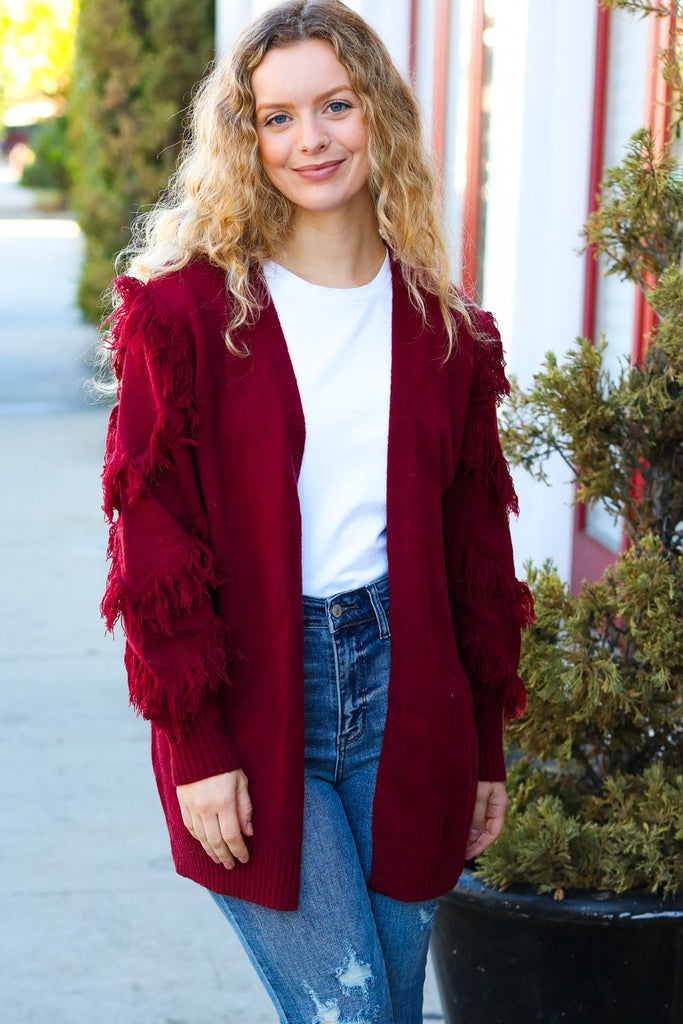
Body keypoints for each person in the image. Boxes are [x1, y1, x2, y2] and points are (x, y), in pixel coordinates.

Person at [100, 2, 533, 1021]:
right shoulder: (183, 316)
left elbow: (476, 549)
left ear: (375, 113)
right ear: (244, 139)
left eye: (334, 105)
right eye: (277, 117)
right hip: (256, 693)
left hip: (408, 694)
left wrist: (483, 742)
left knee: (383, 1004)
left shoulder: (446, 331)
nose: (311, 139)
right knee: (353, 1013)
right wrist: (199, 749)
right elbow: (150, 538)